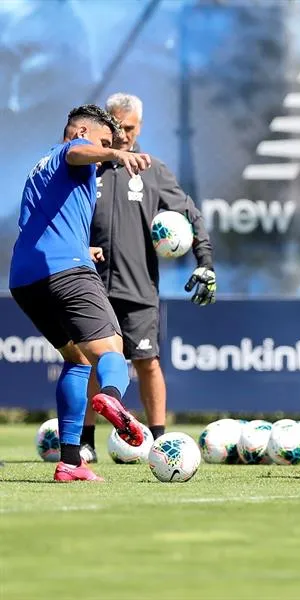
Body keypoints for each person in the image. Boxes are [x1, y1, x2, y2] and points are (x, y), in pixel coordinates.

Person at [8, 105, 149, 482]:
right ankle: (114, 399)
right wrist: (116, 151)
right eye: (102, 141)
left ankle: (70, 461)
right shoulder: (72, 154)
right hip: (65, 271)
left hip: (25, 279)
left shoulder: (40, 166)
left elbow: (40, 223)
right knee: (112, 349)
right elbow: (77, 150)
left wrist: (80, 247)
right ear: (80, 132)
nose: (105, 153)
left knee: (77, 360)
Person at [78, 93, 216, 462]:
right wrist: (81, 248)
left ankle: (159, 441)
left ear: (140, 127)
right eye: (116, 126)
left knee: (148, 362)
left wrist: (205, 261)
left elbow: (190, 213)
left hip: (138, 289)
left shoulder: (153, 170)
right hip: (90, 286)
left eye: (130, 127)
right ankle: (84, 441)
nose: (123, 134)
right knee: (90, 360)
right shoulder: (88, 167)